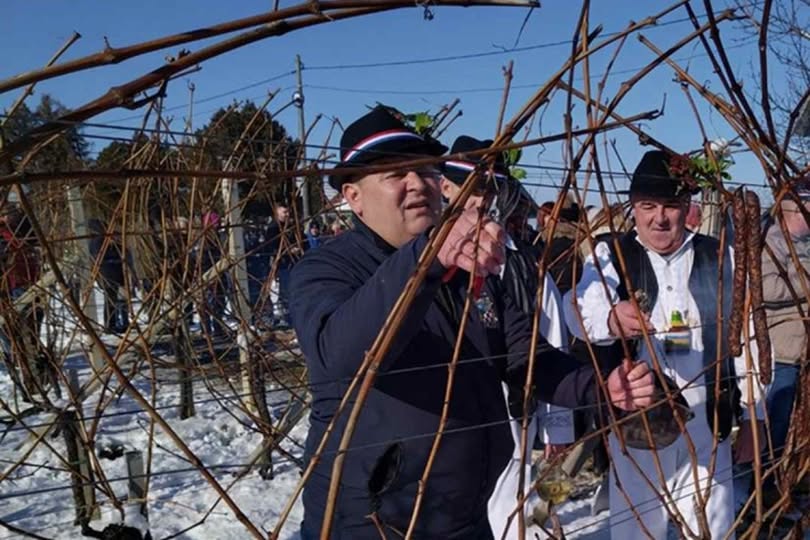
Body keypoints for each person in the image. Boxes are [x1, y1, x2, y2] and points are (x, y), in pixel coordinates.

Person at [289, 106, 655, 539]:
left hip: (465, 517)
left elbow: (524, 355)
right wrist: (425, 260)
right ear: (353, 196)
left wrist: (599, 386)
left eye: (424, 170)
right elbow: (341, 353)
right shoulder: (325, 270)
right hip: (372, 524)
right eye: (396, 174)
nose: (417, 184)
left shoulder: (467, 268)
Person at [563, 150, 767, 539]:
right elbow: (577, 307)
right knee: (638, 531)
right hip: (639, 429)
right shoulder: (613, 255)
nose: (659, 218)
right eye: (647, 206)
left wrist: (754, 414)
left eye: (670, 206)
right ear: (634, 207)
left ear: (687, 206)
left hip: (709, 427)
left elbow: (748, 338)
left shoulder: (718, 255)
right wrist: (610, 317)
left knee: (712, 530)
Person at [439, 135, 573, 538]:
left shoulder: (524, 267)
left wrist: (559, 427)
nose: (481, 202)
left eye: (490, 191)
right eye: (472, 189)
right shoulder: (418, 262)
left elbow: (549, 343)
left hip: (513, 416)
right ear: (445, 187)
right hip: (437, 421)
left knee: (511, 509)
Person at [761, 180, 810, 480]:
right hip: (781, 352)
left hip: (802, 352)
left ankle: (790, 476)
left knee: (798, 421)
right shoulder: (770, 240)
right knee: (775, 422)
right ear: (793, 208)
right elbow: (766, 287)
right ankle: (763, 481)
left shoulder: (805, 243)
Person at [266, 203, 300, 327]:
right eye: (284, 212)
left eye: (287, 212)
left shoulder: (290, 226)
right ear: (277, 212)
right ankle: (282, 315)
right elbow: (272, 246)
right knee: (282, 290)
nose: (287, 215)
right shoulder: (273, 228)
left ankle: (289, 314)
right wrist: (288, 250)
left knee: (290, 288)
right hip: (281, 263)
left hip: (292, 262)